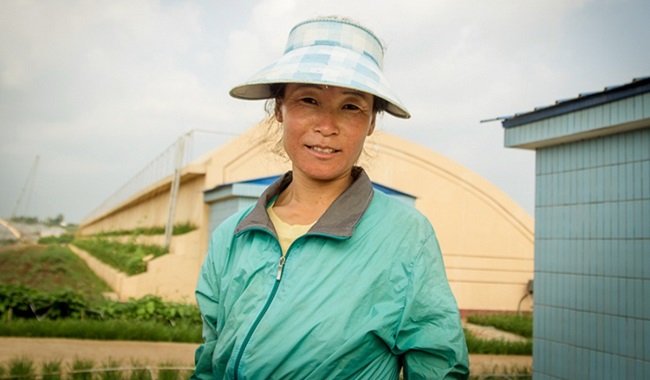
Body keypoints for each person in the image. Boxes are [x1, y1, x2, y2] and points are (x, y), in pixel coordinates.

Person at [192, 16, 469, 379]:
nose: (327, 126)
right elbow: (210, 362)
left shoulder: (405, 238)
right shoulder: (233, 236)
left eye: (351, 106)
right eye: (308, 100)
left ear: (371, 121)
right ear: (280, 108)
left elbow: (439, 366)